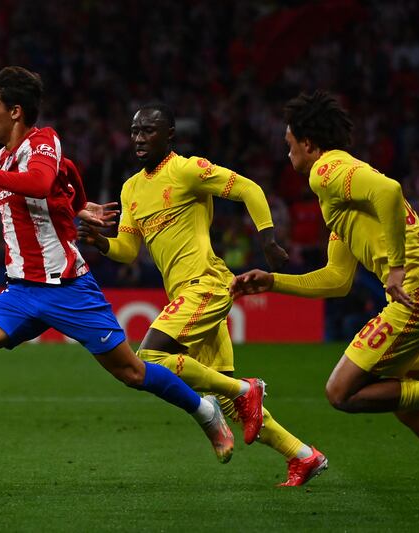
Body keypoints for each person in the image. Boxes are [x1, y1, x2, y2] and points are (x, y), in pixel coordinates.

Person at [0, 66, 260, 472]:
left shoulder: (43, 141)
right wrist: (77, 205)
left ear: (17, 111)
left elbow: (42, 183)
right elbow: (62, 183)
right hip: (21, 292)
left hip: (68, 289)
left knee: (131, 372)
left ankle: (205, 410)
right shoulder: (7, 156)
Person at [231, 90, 419, 515]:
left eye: (288, 145)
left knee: (341, 392)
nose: (287, 155)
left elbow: (390, 190)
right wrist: (273, 282)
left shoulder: (328, 168)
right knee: (406, 398)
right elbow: (337, 280)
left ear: (308, 143)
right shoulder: (339, 194)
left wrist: (395, 267)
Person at [79, 103, 327, 487]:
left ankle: (248, 389)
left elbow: (249, 188)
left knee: (149, 356)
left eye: (149, 130)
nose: (140, 138)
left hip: (206, 285)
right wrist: (100, 243)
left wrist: (268, 239)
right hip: (186, 294)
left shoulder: (188, 170)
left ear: (170, 135)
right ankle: (302, 455)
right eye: (135, 131)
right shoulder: (131, 188)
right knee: (228, 404)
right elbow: (128, 250)